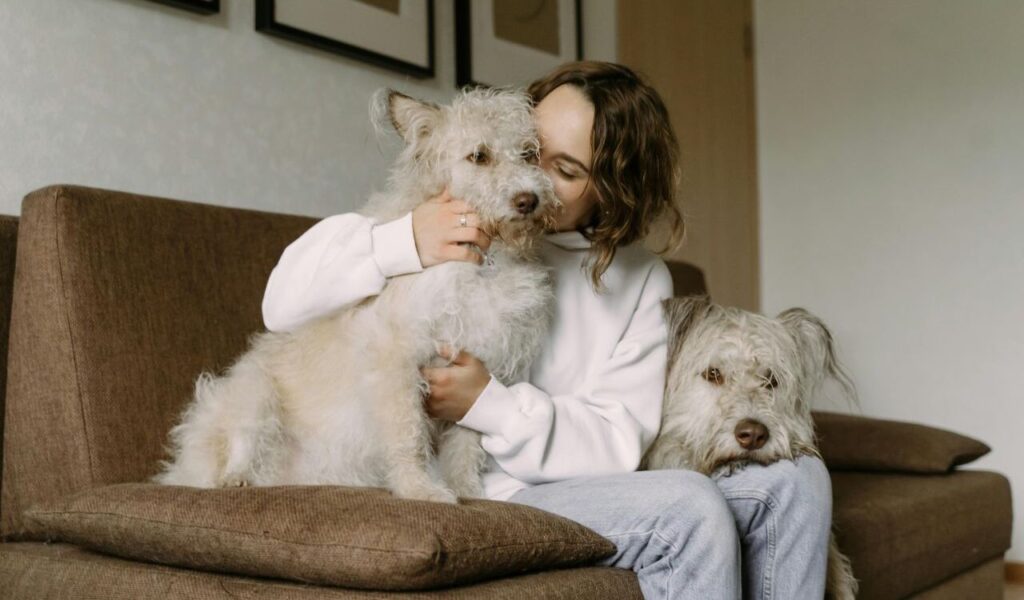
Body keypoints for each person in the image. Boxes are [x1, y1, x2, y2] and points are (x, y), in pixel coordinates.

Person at [261, 61, 832, 600]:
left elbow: (617, 440)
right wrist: (405, 239)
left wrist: (490, 405)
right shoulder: (443, 216)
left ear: (613, 187)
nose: (526, 178)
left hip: (567, 481)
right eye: (530, 149)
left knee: (798, 481)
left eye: (564, 170)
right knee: (689, 504)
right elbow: (281, 303)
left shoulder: (638, 279)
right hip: (478, 486)